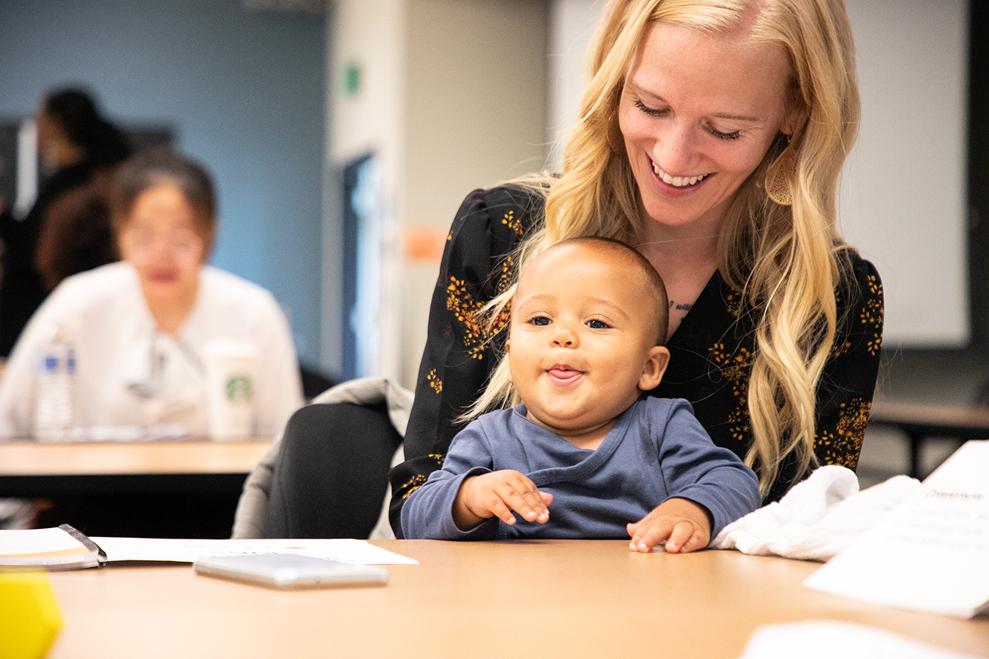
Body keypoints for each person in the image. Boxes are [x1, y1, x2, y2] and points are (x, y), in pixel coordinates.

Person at [390, 0, 885, 535]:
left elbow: (812, 528)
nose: (673, 158)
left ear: (795, 116)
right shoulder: (499, 233)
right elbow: (420, 496)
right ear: (616, 80)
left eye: (723, 130)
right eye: (650, 106)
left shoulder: (833, 298)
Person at [401, 238, 761, 552]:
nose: (563, 336)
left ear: (648, 368)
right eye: (540, 320)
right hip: (519, 607)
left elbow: (736, 483)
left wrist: (691, 509)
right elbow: (415, 518)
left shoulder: (662, 427)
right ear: (510, 358)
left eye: (597, 323)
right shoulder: (489, 438)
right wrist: (469, 497)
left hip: (640, 602)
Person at [0, 147, 304, 439]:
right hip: (95, 490)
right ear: (119, 233)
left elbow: (284, 442)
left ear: (211, 234)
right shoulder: (77, 306)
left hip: (226, 492)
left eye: (181, 239)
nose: (162, 256)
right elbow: (9, 422)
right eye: (143, 238)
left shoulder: (254, 313)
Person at [0, 88, 131, 356]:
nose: (35, 127)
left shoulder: (76, 186)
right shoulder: (85, 179)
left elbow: (34, 247)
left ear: (55, 124)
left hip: (46, 314)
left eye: (38, 118)